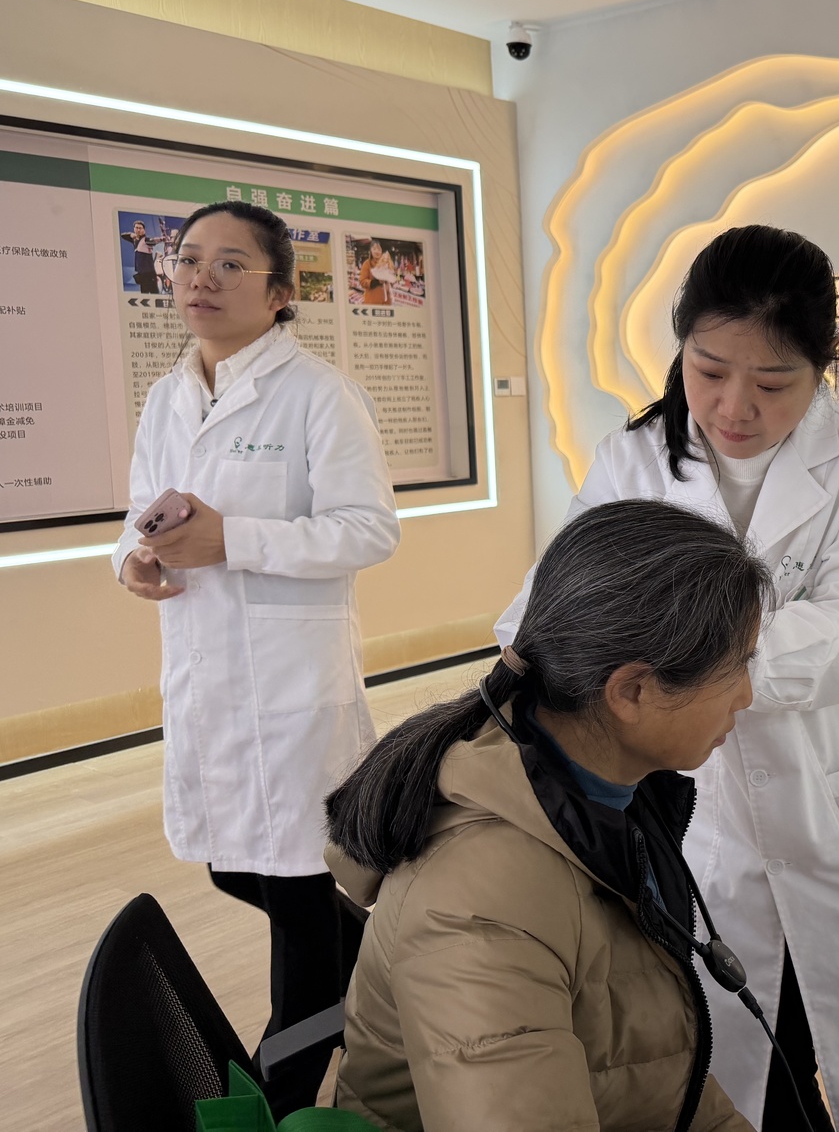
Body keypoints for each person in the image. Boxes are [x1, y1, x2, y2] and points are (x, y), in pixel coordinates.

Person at [495, 225, 839, 1131]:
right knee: (750, 1062)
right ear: (681, 345)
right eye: (709, 369)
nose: (734, 406)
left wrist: (675, 666)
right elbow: (548, 602)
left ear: (822, 368)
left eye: (773, 383)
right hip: (709, 812)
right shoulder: (633, 460)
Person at [326, 501, 765, 1131]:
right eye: (737, 666)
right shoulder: (480, 906)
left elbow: (659, 1075)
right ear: (632, 691)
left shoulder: (614, 794)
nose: (746, 696)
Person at [114, 200, 400, 1113]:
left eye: (231, 264)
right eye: (189, 259)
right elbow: (141, 510)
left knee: (299, 893)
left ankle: (285, 1097)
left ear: (280, 293)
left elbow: (369, 529)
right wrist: (134, 558)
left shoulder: (318, 393)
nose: (201, 277)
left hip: (291, 686)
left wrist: (232, 540)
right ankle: (390, 969)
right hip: (206, 677)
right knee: (232, 863)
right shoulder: (168, 395)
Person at [125, 219, 161, 294]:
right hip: (142, 273)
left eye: (140, 228)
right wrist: (131, 234)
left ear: (144, 230)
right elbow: (123, 235)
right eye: (136, 228)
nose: (138, 230)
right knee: (144, 293)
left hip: (149, 273)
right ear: (134, 229)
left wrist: (160, 239)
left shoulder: (146, 239)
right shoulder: (135, 240)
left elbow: (152, 241)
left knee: (154, 293)